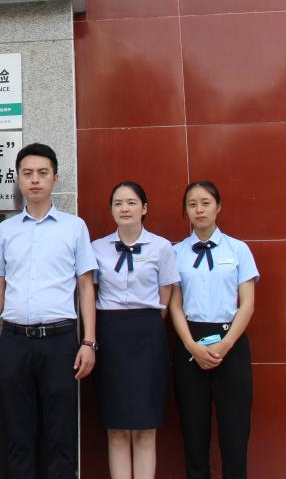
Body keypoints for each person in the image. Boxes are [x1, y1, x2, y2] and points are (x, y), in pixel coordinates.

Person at [0, 143, 98, 479]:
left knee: (61, 433)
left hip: (60, 342)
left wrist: (88, 342)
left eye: (43, 173)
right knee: (18, 433)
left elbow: (86, 287)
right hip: (15, 342)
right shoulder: (6, 229)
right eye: (27, 173)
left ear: (55, 179)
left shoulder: (74, 227)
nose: (35, 179)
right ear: (18, 179)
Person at [169, 181, 258, 479]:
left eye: (205, 203)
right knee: (193, 430)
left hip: (230, 341)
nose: (199, 210)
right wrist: (191, 345)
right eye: (192, 204)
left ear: (218, 207)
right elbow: (175, 306)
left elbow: (247, 304)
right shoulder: (176, 252)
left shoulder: (238, 249)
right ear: (186, 211)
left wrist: (225, 344)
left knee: (235, 430)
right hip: (190, 343)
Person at [91, 182, 180, 479]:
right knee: (116, 428)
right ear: (111, 210)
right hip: (110, 334)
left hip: (147, 336)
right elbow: (91, 291)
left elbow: (165, 294)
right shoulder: (97, 248)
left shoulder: (162, 247)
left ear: (144, 208)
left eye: (131, 202)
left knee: (145, 427)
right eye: (118, 203)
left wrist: (147, 321)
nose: (125, 209)